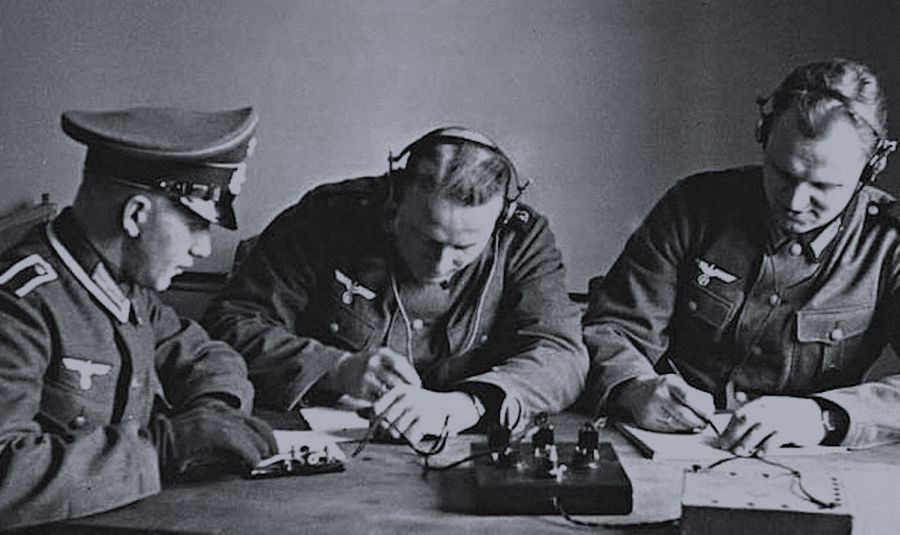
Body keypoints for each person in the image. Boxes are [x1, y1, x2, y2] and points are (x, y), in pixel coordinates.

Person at [583, 58, 900, 454]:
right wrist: (634, 387)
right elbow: (613, 326)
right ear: (764, 138)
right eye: (782, 174)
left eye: (823, 187)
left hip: (809, 461)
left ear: (870, 169)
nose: (795, 202)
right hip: (669, 447)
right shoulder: (694, 206)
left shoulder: (888, 243)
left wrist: (824, 417)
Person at [203, 127, 587, 443]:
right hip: (324, 443)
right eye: (427, 240)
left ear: (499, 220)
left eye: (464, 248)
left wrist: (468, 405)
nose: (441, 264)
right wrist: (337, 368)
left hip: (461, 447)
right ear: (393, 205)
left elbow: (561, 353)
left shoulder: (522, 238)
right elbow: (230, 323)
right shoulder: (327, 216)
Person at [0, 107, 278, 529]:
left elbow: (207, 355)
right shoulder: (20, 305)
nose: (204, 248)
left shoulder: (126, 288)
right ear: (135, 215)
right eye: (194, 224)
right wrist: (161, 449)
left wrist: (214, 413)